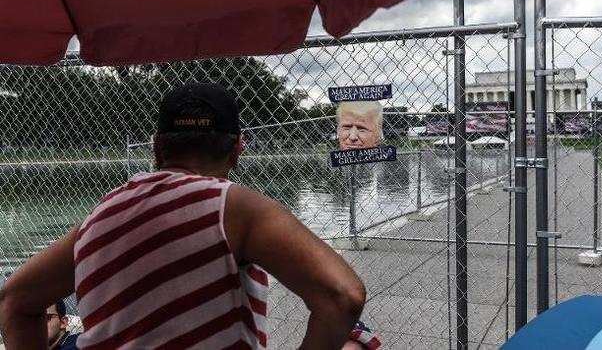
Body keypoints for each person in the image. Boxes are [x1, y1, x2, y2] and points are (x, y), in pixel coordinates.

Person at [0, 83, 377, 349]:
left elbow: (14, 301)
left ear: (157, 147)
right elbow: (342, 295)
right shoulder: (236, 207)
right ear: (236, 152)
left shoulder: (103, 211)